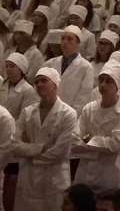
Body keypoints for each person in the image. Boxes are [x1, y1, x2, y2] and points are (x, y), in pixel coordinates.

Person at [12, 67, 77, 211]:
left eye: (43, 80)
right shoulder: (28, 112)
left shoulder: (68, 114)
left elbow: (60, 152)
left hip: (54, 180)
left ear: (55, 84)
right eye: (36, 82)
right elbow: (14, 144)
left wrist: (28, 154)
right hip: (28, 180)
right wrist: (39, 148)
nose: (39, 85)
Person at [72, 63, 120, 191]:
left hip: (111, 175)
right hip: (85, 173)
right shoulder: (89, 108)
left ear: (118, 85)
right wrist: (97, 145)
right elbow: (74, 139)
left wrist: (88, 141)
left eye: (108, 81)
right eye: (101, 80)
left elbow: (115, 144)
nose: (103, 85)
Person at [43, 25, 94, 116]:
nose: (65, 42)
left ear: (78, 43)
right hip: (48, 113)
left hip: (70, 116)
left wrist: (69, 116)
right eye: (63, 39)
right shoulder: (50, 64)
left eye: (69, 39)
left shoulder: (86, 67)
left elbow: (83, 97)